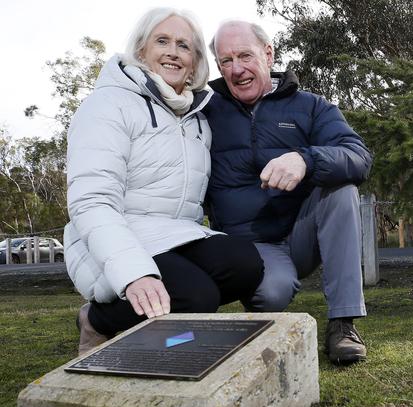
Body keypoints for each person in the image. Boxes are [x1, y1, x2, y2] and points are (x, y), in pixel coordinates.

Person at [64, 9, 264, 356]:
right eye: (162, 41)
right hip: (111, 234)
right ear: (141, 51)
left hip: (172, 235)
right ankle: (96, 320)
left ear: (194, 61)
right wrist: (133, 274)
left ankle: (167, 327)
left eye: (184, 46)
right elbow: (91, 201)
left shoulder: (197, 118)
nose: (173, 52)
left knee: (244, 264)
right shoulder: (108, 105)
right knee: (196, 296)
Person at [203, 20, 372, 364]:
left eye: (245, 56)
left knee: (341, 190)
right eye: (225, 61)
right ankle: (261, 290)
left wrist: (306, 159)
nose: (236, 70)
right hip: (248, 246)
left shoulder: (311, 106)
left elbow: (358, 156)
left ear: (268, 53)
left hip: (300, 235)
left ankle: (343, 323)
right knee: (271, 295)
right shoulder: (204, 110)